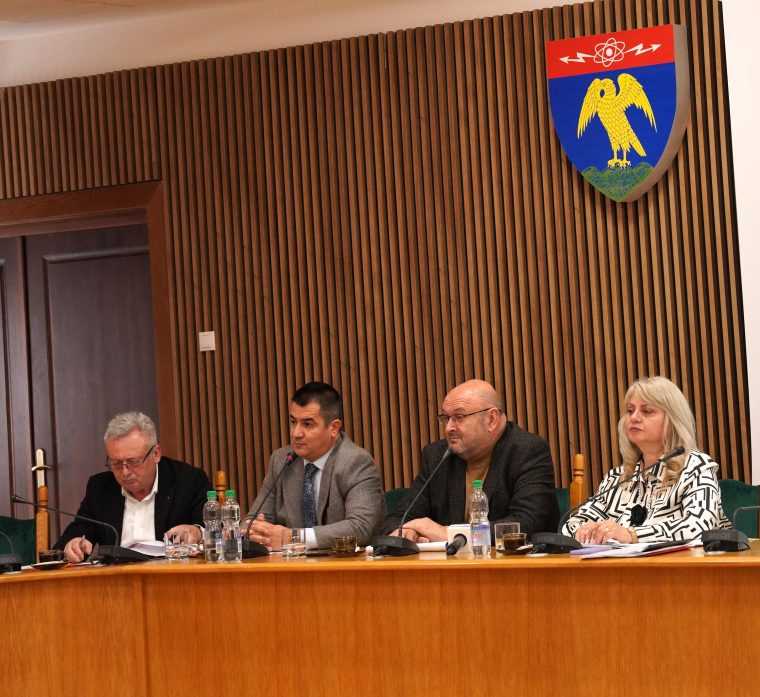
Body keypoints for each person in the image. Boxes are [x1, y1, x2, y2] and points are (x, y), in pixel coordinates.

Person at [383, 379, 559, 541]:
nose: (449, 428)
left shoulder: (527, 451)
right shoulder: (437, 456)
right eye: (446, 418)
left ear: (491, 419)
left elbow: (527, 523)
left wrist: (449, 534)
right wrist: (408, 531)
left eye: (459, 417)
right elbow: (398, 518)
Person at [563, 376, 730, 543]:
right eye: (630, 411)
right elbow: (570, 525)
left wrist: (631, 535)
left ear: (672, 420)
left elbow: (700, 527)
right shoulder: (616, 478)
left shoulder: (696, 467)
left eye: (647, 411)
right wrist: (584, 530)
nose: (634, 418)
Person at [242, 381, 384, 550]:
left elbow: (361, 528)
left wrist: (294, 537)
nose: (296, 433)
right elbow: (254, 520)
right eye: (293, 422)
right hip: (290, 564)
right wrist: (254, 531)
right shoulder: (282, 460)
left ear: (334, 428)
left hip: (343, 563)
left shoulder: (355, 462)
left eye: (307, 424)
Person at [55, 411, 210, 562]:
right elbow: (72, 538)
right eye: (116, 463)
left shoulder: (188, 480)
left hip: (171, 574)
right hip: (117, 576)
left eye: (134, 462)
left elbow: (214, 529)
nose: (125, 472)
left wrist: (197, 531)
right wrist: (73, 545)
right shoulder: (100, 488)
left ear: (156, 453)